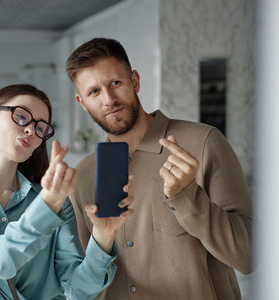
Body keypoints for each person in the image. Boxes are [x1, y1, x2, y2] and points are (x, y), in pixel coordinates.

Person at [65, 38, 252, 299]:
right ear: (82, 102)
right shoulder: (83, 174)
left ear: (135, 81)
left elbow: (247, 255)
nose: (108, 99)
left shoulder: (204, 143)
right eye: (94, 92)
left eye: (115, 83)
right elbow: (80, 285)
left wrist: (186, 195)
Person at [0, 84, 134, 300]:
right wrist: (47, 204)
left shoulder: (56, 203)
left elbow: (76, 291)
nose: (31, 130)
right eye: (21, 116)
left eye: (41, 127)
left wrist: (103, 239)